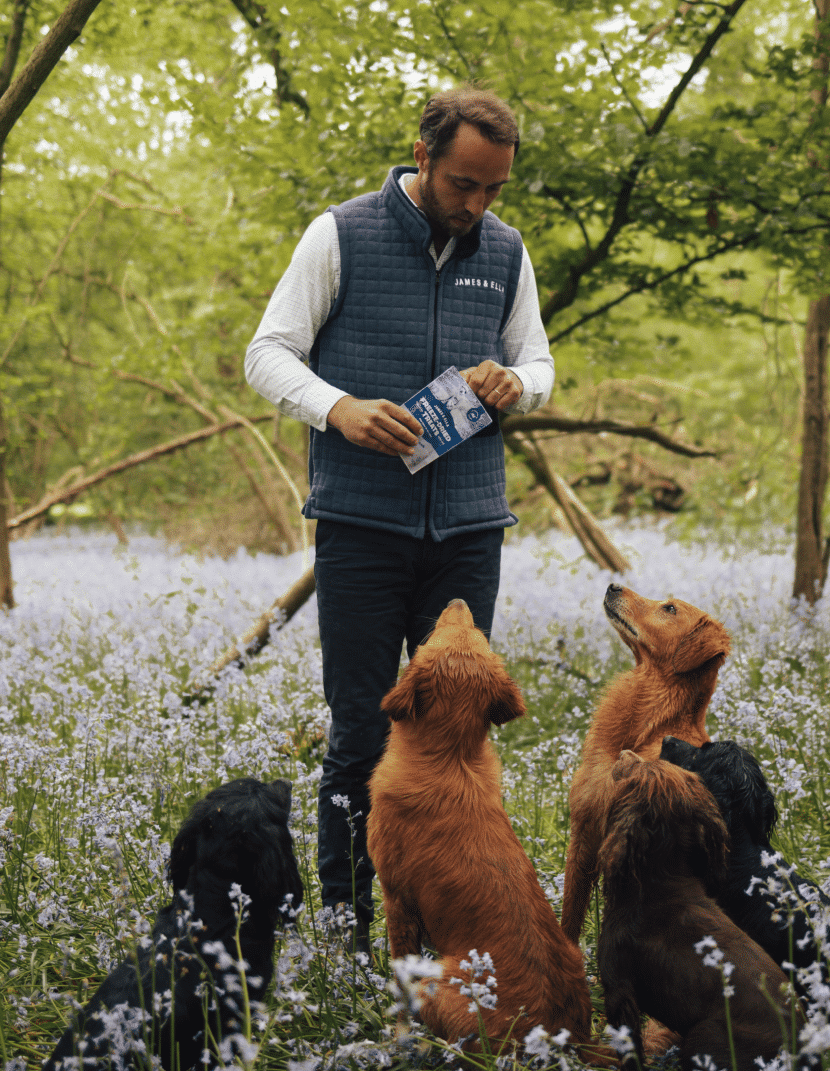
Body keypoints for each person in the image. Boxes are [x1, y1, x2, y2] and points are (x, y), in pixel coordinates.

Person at [245, 85, 554, 953]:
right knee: (358, 732)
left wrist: (515, 383)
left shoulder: (507, 250)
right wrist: (337, 407)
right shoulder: (338, 234)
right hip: (360, 526)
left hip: (469, 530)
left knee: (456, 736)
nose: (477, 204)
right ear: (423, 157)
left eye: (493, 188)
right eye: (463, 184)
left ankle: (452, 930)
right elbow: (267, 353)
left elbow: (538, 363)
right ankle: (347, 932)